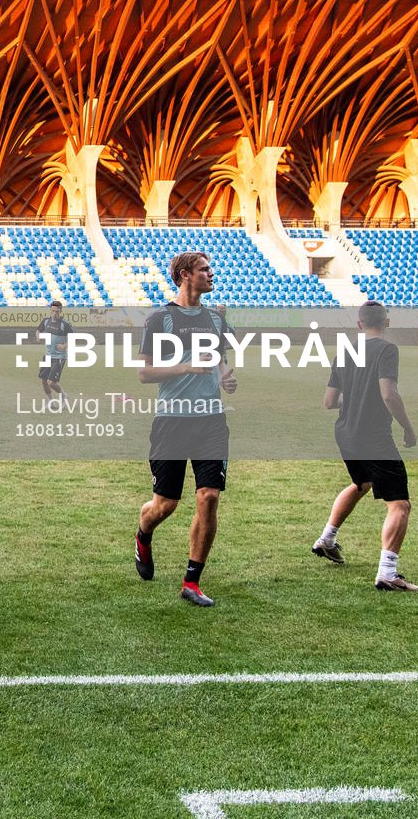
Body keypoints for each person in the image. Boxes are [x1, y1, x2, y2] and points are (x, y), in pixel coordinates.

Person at [134, 251, 236, 607]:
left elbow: (220, 360)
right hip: (171, 421)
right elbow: (144, 373)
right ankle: (143, 533)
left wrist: (225, 377)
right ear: (184, 275)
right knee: (165, 505)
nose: (211, 274)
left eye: (210, 268)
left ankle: (192, 581)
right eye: (204, 269)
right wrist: (185, 367)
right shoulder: (159, 319)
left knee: (209, 497)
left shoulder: (216, 319)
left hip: (211, 420)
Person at [312, 302, 418, 590]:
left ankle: (327, 539)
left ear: (359, 324)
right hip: (373, 437)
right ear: (387, 322)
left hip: (346, 433)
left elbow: (329, 402)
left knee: (361, 484)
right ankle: (388, 573)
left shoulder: (345, 351)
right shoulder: (387, 350)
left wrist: (355, 397)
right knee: (399, 504)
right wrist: (408, 428)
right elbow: (389, 394)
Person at [36, 299, 72, 406]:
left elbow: (73, 337)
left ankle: (63, 395)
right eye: (52, 311)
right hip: (47, 355)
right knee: (43, 381)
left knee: (51, 382)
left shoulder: (64, 324)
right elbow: (38, 330)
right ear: (50, 310)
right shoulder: (46, 321)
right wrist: (38, 336)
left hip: (59, 357)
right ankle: (51, 401)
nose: (54, 313)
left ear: (60, 311)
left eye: (57, 311)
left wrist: (65, 345)